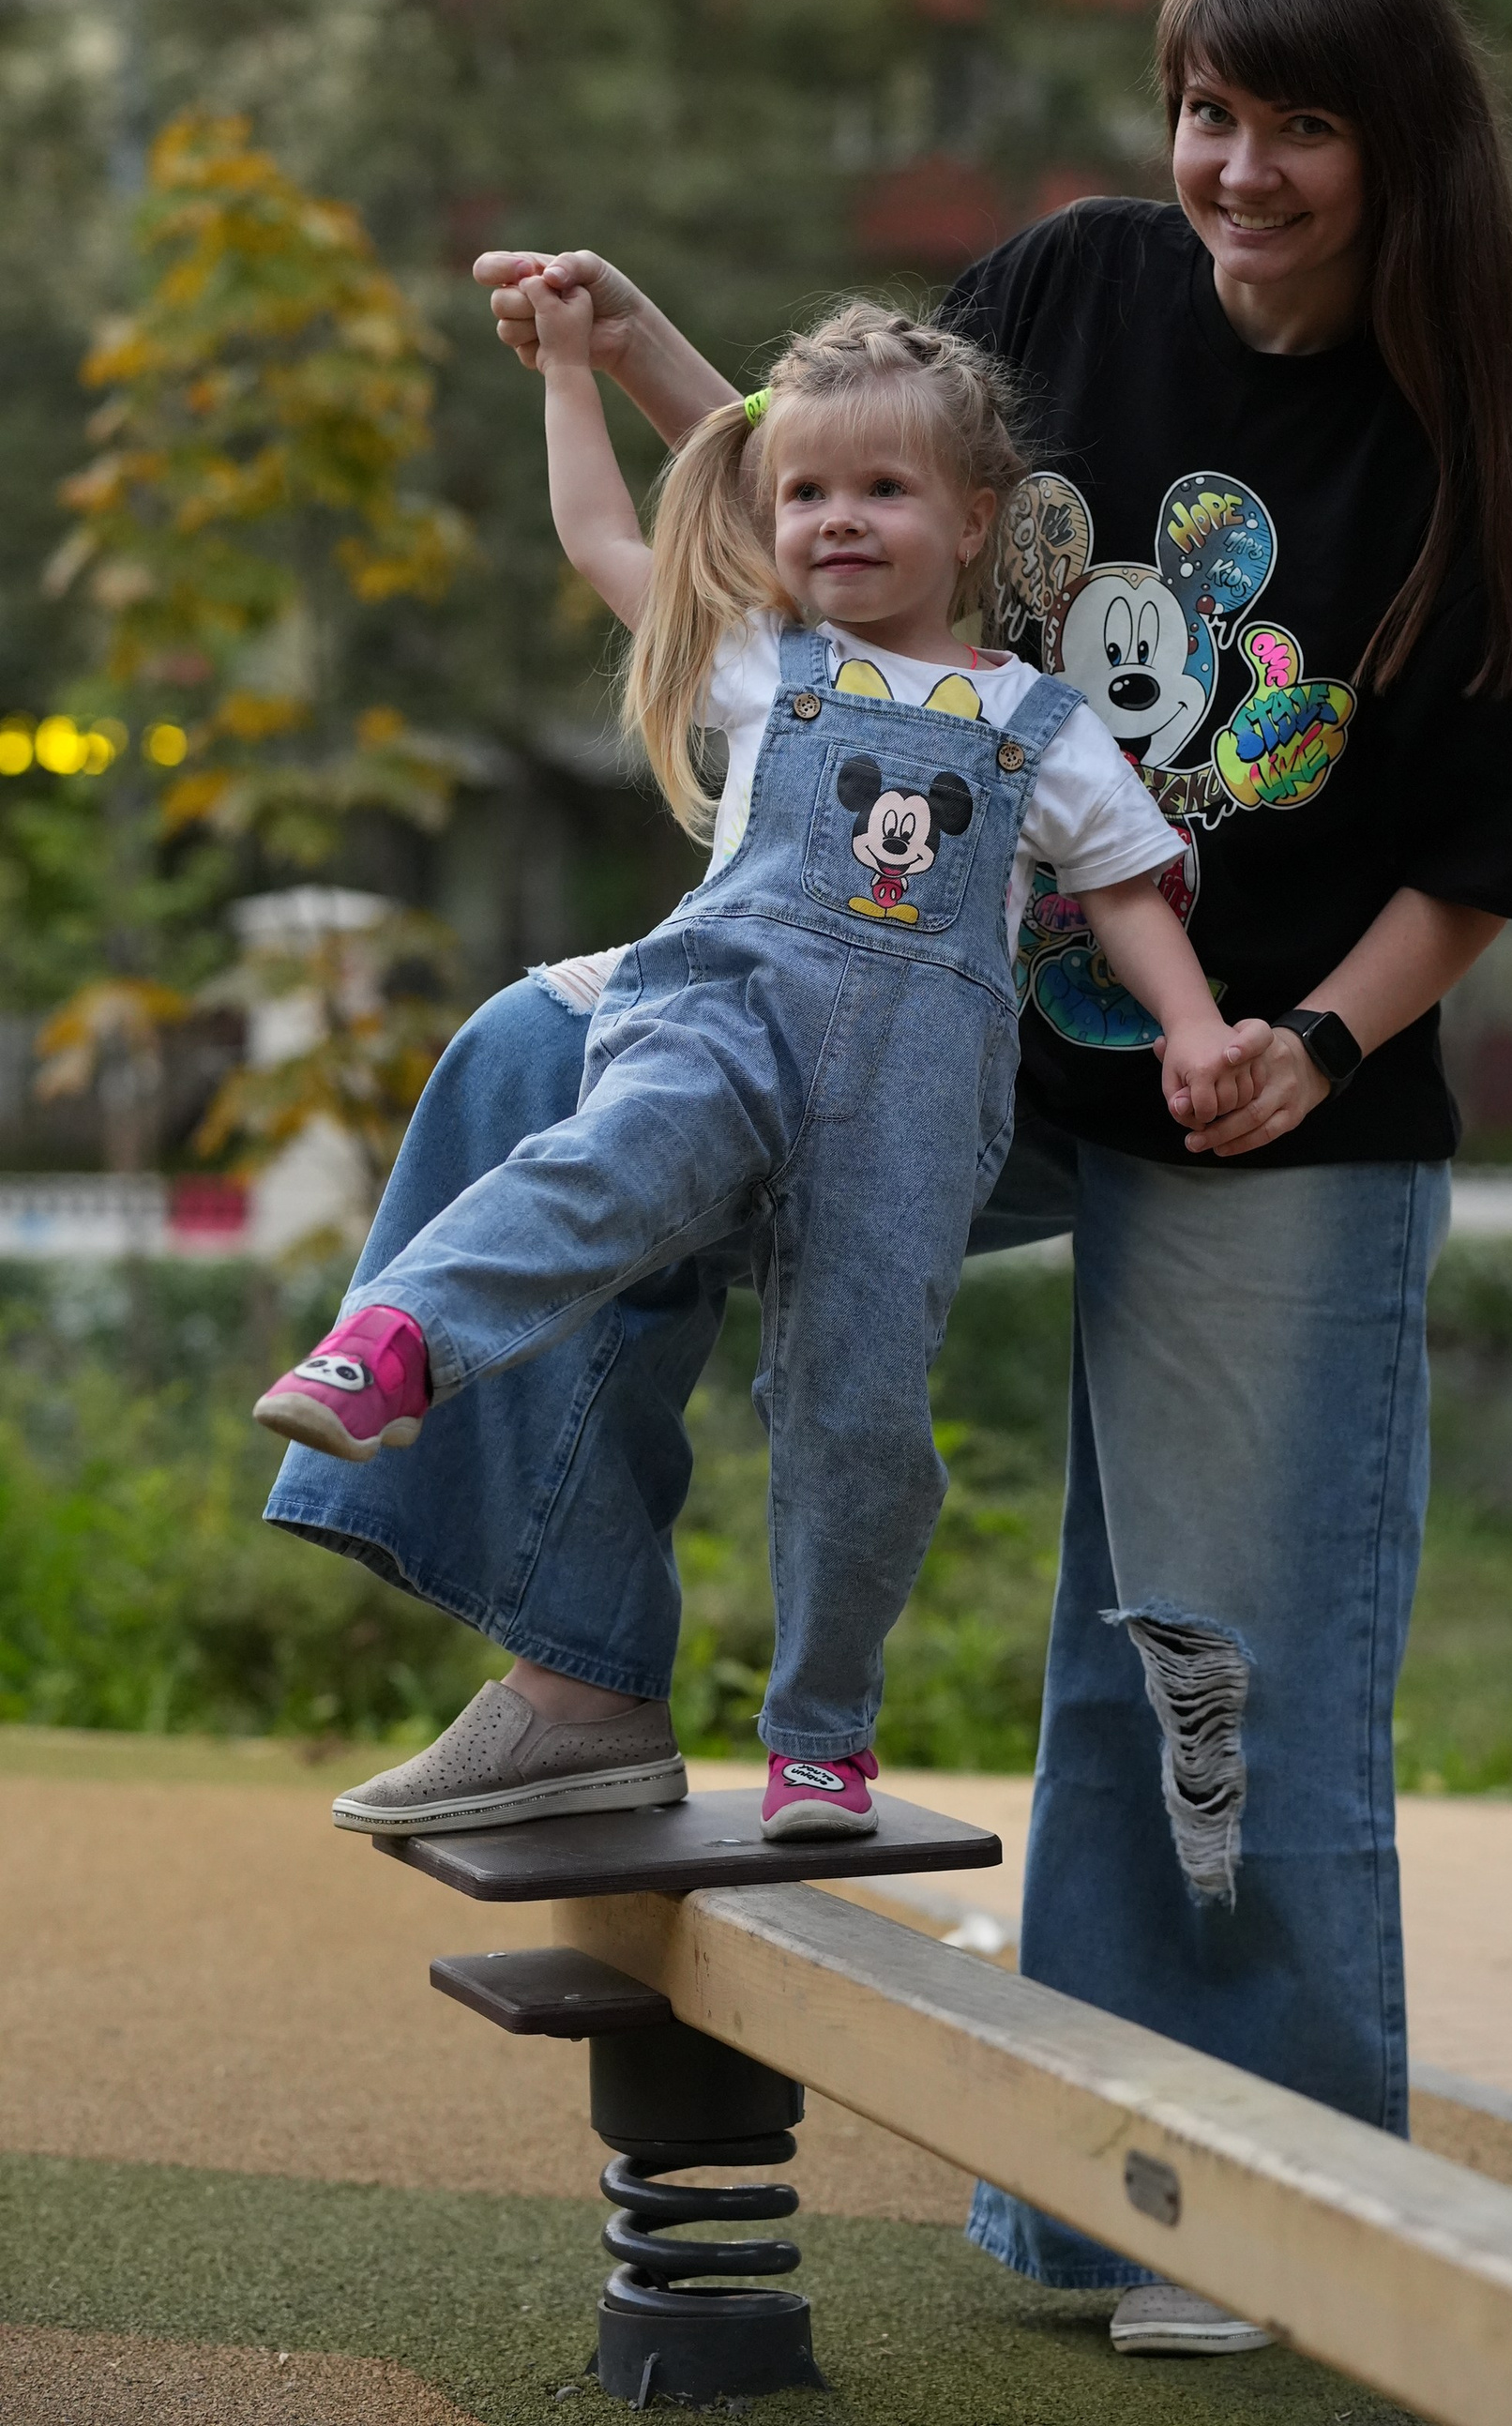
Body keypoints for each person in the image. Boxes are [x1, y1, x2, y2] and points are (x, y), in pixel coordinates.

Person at [265, 0, 1512, 2356]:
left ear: (1404, 151)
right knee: (556, 1060)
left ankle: (1215, 2201)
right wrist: (625, 347)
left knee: (1196, 1660)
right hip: (928, 1035)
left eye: (1301, 127)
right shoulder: (1082, 286)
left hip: (1260, 1096)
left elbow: (1464, 870)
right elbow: (834, 482)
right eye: (1207, 111)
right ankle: (582, 1671)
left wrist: (1298, 1046)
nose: (1237, 170)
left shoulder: (1470, 466)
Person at [254, 295, 1260, 1845]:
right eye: (804, 492)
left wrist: (1193, 1029)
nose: (836, 519)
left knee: (859, 1420)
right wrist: (572, 374)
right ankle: (395, 1340)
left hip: (912, 1106)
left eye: (882, 489)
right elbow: (603, 537)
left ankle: (821, 1739)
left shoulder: (1039, 724)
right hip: (721, 1027)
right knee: (601, 1164)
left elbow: (1125, 891)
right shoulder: (755, 662)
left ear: (973, 517)